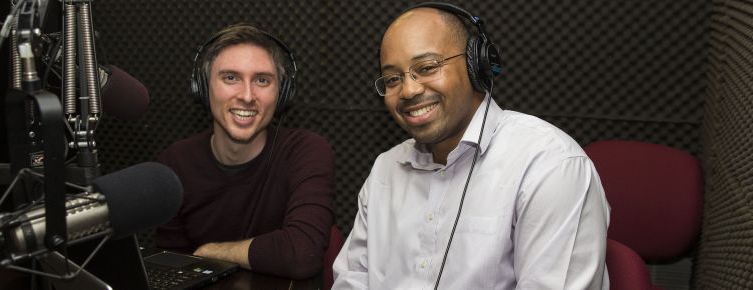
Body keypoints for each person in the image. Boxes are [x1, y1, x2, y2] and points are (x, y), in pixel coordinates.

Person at [332, 3, 610, 289]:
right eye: (393, 78)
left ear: (475, 64)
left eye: (426, 68)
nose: (409, 90)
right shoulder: (385, 169)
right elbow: (352, 279)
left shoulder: (550, 166)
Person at [155, 23, 336, 279]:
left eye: (262, 80)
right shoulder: (174, 164)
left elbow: (301, 254)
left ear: (282, 94)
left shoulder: (306, 152)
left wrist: (211, 251)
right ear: (203, 88)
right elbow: (169, 269)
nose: (248, 96)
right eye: (231, 78)